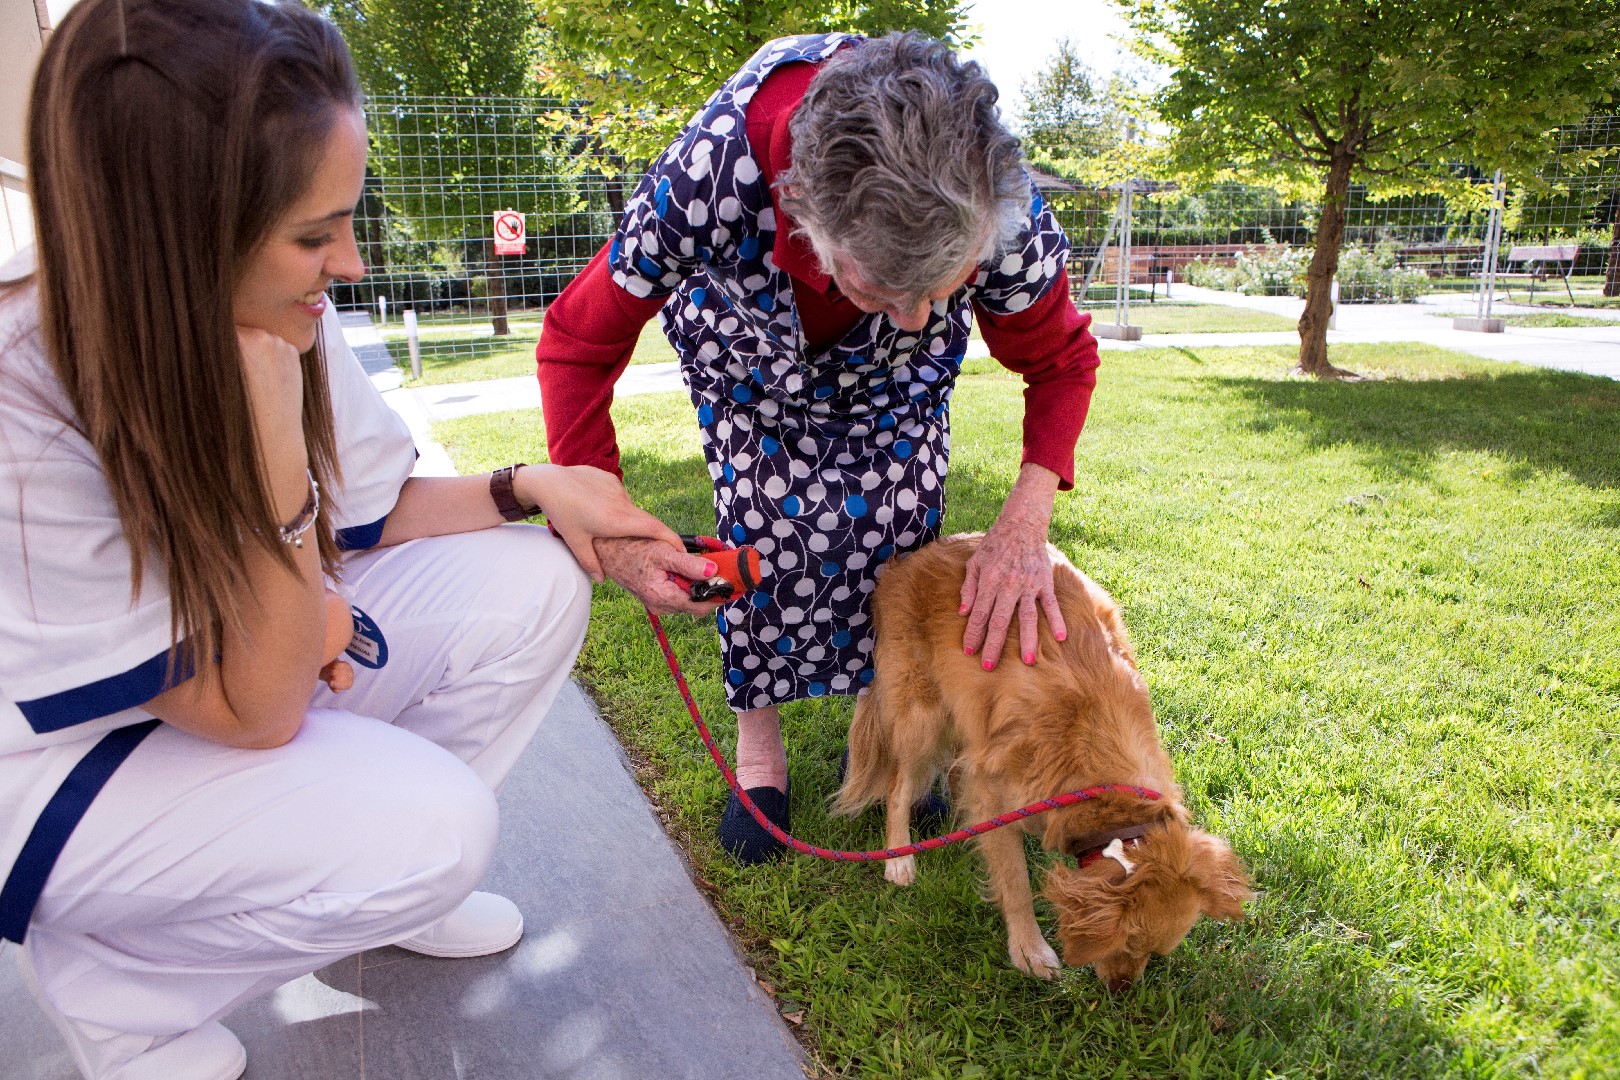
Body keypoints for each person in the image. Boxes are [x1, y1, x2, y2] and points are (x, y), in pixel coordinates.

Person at [0, 2, 706, 1077]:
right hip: (61, 765)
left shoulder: (266, 308)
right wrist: (281, 488)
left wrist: (539, 488)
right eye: (313, 234)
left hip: (216, 672)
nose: (353, 265)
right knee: (432, 831)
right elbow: (257, 707)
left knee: (531, 581)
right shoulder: (22, 406)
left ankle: (366, 886)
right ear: (174, 232)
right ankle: (124, 996)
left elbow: (373, 509)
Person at [535, 31, 1101, 863]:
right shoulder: (713, 173)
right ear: (803, 208)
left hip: (895, 391)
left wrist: (1025, 522)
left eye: (936, 293)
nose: (913, 316)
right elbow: (576, 342)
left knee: (901, 538)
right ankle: (759, 752)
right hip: (750, 361)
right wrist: (609, 522)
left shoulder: (997, 202)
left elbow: (1061, 359)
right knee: (760, 535)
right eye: (882, 288)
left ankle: (885, 735)